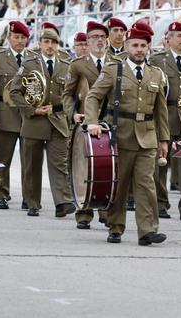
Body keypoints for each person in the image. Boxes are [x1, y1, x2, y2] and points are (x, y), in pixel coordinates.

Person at [83, 25, 170, 245]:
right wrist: (92, 122)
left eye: (143, 45)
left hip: (147, 137)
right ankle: (115, 226)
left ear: (148, 47)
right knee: (119, 186)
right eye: (135, 45)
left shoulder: (156, 73)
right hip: (119, 136)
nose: (139, 49)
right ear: (127, 46)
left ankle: (147, 230)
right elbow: (93, 97)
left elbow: (161, 110)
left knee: (146, 185)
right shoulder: (114, 69)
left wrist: (164, 140)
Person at [8, 25, 76, 218]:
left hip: (57, 120)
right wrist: (31, 110)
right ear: (40, 44)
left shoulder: (66, 64)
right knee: (32, 165)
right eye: (46, 42)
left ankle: (62, 202)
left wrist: (66, 111)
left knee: (59, 164)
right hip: (34, 121)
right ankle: (32, 202)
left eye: (54, 42)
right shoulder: (29, 63)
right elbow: (14, 91)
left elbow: (71, 95)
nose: (50, 46)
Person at [63, 21, 116, 229]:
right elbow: (67, 94)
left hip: (109, 121)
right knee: (82, 166)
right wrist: (72, 113)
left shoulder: (116, 62)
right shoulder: (77, 64)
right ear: (88, 40)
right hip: (85, 121)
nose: (99, 40)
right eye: (94, 37)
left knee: (109, 168)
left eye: (102, 37)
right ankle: (83, 213)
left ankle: (107, 211)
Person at [149, 22, 181, 220]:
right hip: (164, 116)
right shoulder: (157, 60)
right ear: (168, 39)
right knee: (161, 162)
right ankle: (161, 203)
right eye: (179, 35)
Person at [0, 20, 27, 209]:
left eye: (23, 38)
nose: (19, 41)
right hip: (4, 113)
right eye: (16, 37)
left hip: (27, 116)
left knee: (29, 159)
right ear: (9, 38)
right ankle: (0, 193)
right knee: (1, 158)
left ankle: (30, 197)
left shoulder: (33, 58)